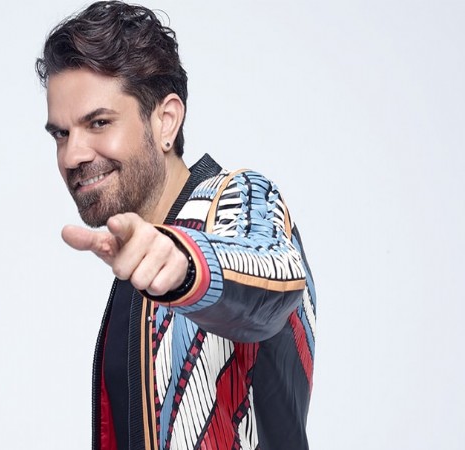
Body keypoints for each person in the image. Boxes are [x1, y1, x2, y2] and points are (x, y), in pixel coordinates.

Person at [36, 2, 316, 449]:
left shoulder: (237, 198)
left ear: (165, 120)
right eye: (61, 134)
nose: (72, 155)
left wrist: (186, 265)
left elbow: (276, 279)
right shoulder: (135, 256)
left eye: (99, 123)